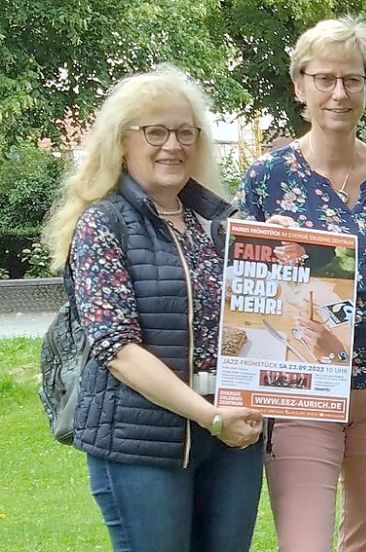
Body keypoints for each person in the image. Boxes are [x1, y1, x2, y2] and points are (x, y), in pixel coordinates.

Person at [41, 66, 264, 551]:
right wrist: (209, 416)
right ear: (122, 142)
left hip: (230, 433)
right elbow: (116, 349)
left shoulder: (221, 223)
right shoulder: (102, 224)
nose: (173, 145)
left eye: (185, 132)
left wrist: (288, 251)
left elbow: (262, 321)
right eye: (155, 131)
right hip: (141, 441)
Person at [234, 16, 366, 552]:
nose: (339, 92)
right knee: (305, 544)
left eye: (353, 78)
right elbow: (245, 292)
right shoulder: (267, 178)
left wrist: (363, 343)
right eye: (325, 78)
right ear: (300, 84)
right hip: (301, 392)